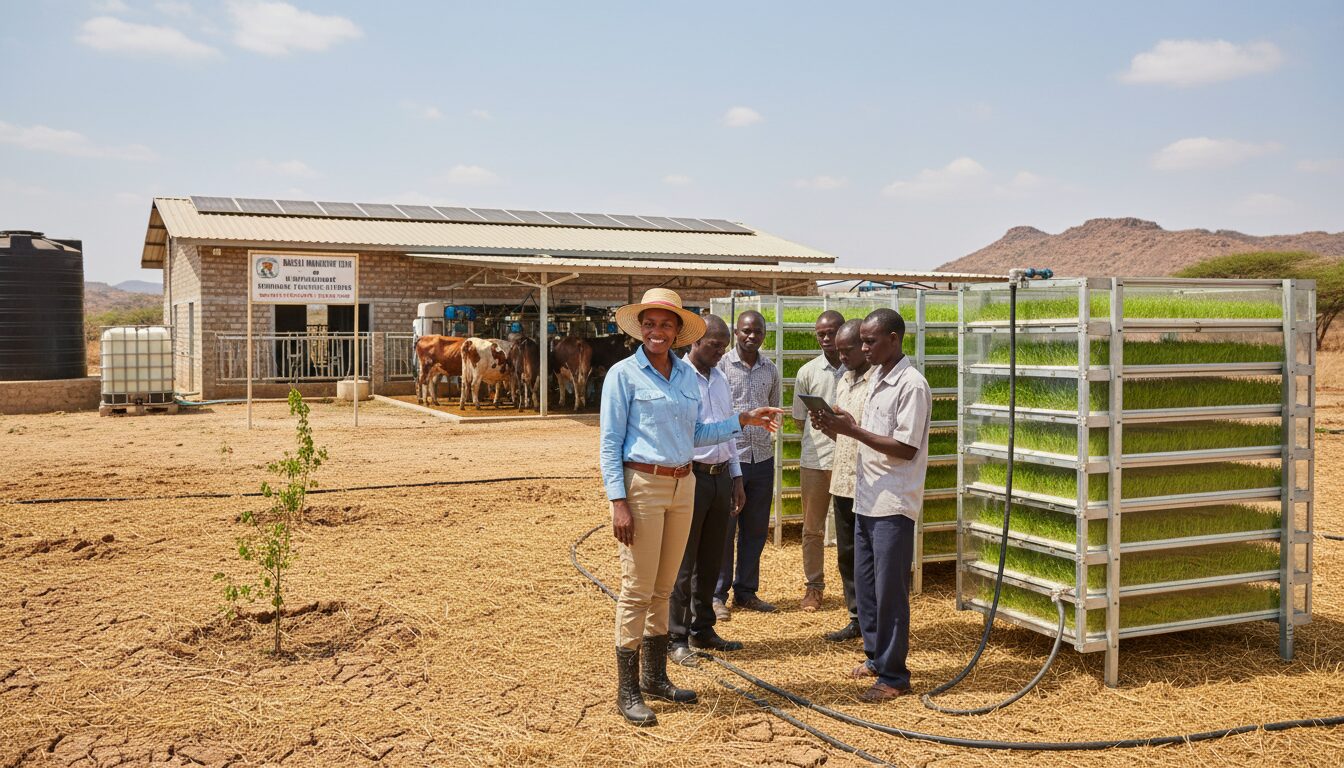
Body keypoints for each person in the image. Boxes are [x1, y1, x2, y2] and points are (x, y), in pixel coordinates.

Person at [599, 288, 782, 727]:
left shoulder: (684, 377)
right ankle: (627, 689)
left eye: (666, 324)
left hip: (684, 485)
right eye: (650, 323)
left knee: (664, 587)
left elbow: (697, 433)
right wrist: (618, 501)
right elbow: (608, 443)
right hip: (643, 485)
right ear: (639, 328)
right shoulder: (623, 376)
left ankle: (656, 677)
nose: (657, 331)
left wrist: (741, 420)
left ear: (679, 332)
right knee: (637, 589)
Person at [809, 308, 931, 702]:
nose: (863, 347)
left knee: (890, 590)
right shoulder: (877, 377)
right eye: (861, 340)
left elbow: (905, 447)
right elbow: (867, 430)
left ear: (894, 339)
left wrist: (853, 431)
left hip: (893, 502)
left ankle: (895, 676)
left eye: (870, 341)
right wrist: (837, 421)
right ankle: (876, 658)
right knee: (867, 586)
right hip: (866, 498)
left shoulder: (911, 385)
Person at [668, 314, 748, 667]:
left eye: (724, 347)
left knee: (712, 559)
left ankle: (704, 627)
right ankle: (676, 635)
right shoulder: (680, 378)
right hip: (692, 476)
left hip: (719, 478)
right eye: (715, 346)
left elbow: (729, 433)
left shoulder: (720, 379)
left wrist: (736, 478)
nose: (721, 353)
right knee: (683, 563)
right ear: (695, 343)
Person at [714, 309, 782, 619]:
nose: (751, 336)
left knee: (755, 530)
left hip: (762, 459)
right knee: (724, 531)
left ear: (765, 334)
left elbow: (774, 412)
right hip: (732, 459)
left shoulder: (771, 369)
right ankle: (717, 594)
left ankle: (746, 592)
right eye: (746, 331)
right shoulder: (721, 367)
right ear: (736, 332)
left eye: (757, 331)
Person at [819, 319, 872, 642]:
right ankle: (856, 616)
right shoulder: (844, 381)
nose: (842, 357)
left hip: (869, 482)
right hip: (843, 480)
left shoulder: (878, 382)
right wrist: (827, 425)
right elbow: (845, 436)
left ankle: (872, 621)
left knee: (869, 558)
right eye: (838, 352)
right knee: (846, 554)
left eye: (847, 351)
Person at [791, 310, 845, 611]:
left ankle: (854, 589)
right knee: (812, 528)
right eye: (821, 333)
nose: (826, 338)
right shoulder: (807, 372)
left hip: (849, 459)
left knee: (851, 527)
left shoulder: (858, 369)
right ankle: (814, 587)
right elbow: (800, 420)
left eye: (831, 332)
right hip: (815, 460)